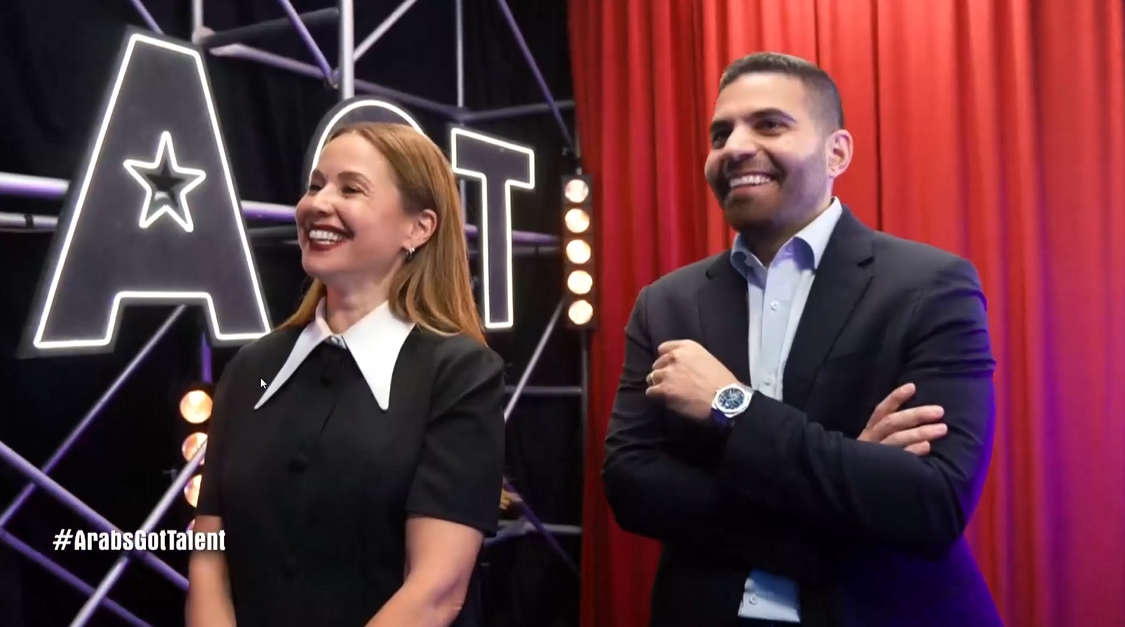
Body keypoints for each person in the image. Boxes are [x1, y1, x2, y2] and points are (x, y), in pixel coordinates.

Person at [602, 52, 1003, 627]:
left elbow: (932, 502)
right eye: (720, 134)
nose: (735, 147)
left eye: (769, 125)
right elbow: (631, 486)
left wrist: (730, 405)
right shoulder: (664, 303)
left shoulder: (930, 286)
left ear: (837, 152)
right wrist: (848, 495)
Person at [185, 122, 507, 627]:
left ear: (418, 228)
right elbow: (209, 555)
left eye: (350, 189)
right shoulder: (251, 368)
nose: (318, 204)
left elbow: (436, 591)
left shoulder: (458, 373)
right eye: (315, 186)